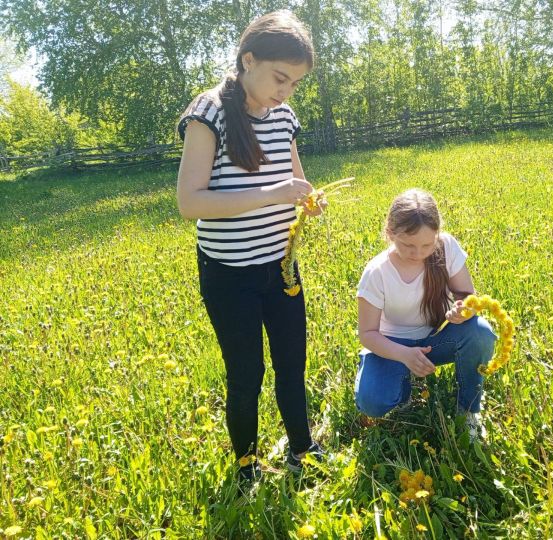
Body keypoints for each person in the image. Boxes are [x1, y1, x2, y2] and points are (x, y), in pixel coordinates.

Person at [176, 10, 323, 482]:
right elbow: (189, 203)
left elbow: (295, 179)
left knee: (291, 365)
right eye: (281, 77)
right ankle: (246, 465)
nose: (286, 90)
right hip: (229, 274)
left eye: (295, 83)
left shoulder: (284, 116)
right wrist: (273, 194)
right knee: (246, 374)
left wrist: (308, 198)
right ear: (248, 59)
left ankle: (303, 447)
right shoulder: (209, 112)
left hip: (281, 266)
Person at [354, 189, 497, 439]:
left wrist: (463, 310)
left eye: (427, 245)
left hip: (435, 340)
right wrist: (405, 356)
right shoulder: (377, 272)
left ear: (438, 235)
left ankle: (469, 410)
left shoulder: (447, 247)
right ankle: (401, 383)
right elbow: (367, 334)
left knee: (480, 332)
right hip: (392, 345)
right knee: (372, 403)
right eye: (408, 245)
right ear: (389, 233)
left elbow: (467, 295)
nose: (418, 253)